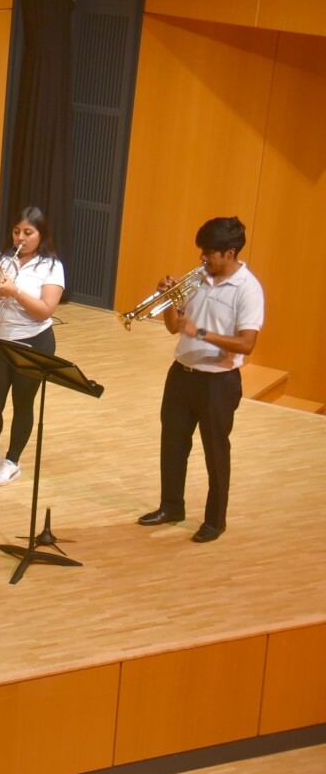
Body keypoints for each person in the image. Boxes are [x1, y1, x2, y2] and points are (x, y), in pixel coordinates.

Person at [138, 216, 263, 543]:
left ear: (230, 252)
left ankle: (215, 520)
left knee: (215, 452)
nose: (202, 259)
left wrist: (203, 333)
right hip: (182, 376)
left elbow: (247, 343)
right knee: (173, 445)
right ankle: (171, 506)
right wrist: (168, 300)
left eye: (209, 253)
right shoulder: (198, 280)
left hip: (218, 383)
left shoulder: (248, 289)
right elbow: (173, 326)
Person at [0, 207, 65, 486]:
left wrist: (15, 291)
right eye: (17, 231)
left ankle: (12, 461)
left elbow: (45, 310)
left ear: (41, 235)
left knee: (22, 403)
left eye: (28, 233)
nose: (20, 238)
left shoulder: (52, 267)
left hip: (33, 342)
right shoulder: (3, 258)